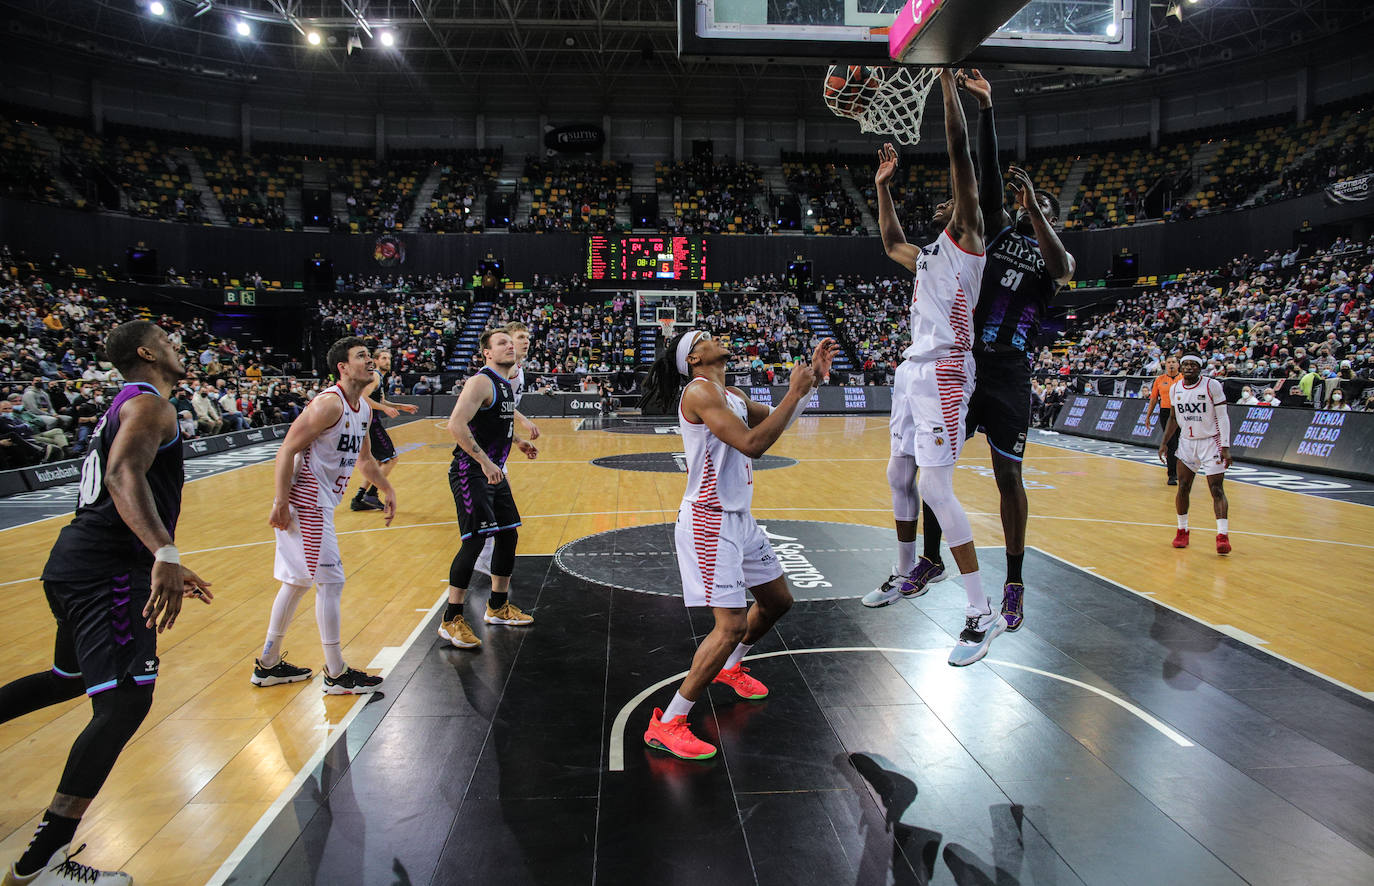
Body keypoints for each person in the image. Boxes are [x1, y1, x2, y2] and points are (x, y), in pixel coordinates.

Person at [0, 320, 212, 886]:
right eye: (169, 339)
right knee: (124, 704)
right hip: (107, 571)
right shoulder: (151, 407)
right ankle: (39, 861)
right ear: (146, 353)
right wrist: (162, 551)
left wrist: (162, 555)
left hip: (74, 564)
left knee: (68, 677)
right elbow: (122, 475)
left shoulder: (125, 404)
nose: (179, 344)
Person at [888, 68, 1073, 634]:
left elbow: (1064, 267)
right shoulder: (987, 238)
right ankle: (931, 558)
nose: (1023, 204)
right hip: (967, 366)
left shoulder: (1050, 261)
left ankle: (1013, 582)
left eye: (1037, 206)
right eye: (1023, 204)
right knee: (930, 468)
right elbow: (980, 172)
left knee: (1008, 478)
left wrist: (1038, 210)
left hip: (1011, 374)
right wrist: (987, 106)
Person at [637, 328, 836, 759]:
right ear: (693, 358)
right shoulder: (698, 393)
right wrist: (795, 390)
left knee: (778, 601)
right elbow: (754, 443)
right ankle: (669, 721)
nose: (716, 335)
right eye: (704, 336)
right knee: (730, 625)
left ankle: (729, 668)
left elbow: (775, 420)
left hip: (740, 519)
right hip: (709, 520)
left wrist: (810, 385)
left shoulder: (735, 394)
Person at [861, 71, 1003, 667]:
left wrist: (948, 88)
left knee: (934, 487)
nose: (949, 199)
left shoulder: (969, 237)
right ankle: (904, 573)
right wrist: (883, 187)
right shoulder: (927, 255)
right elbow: (891, 242)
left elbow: (958, 154)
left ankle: (981, 612)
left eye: (955, 195)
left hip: (945, 369)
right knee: (898, 477)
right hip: (911, 373)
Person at [250, 337, 396, 694]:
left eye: (369, 355)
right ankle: (336, 672)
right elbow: (286, 449)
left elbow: (364, 461)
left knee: (297, 582)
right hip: (307, 502)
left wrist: (387, 488)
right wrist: (281, 502)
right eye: (361, 356)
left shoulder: (361, 407)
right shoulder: (329, 404)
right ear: (343, 367)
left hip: (319, 503)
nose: (370, 361)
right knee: (331, 582)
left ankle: (268, 665)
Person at [437, 330, 538, 651]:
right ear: (487, 353)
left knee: (509, 534)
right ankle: (451, 618)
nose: (510, 345)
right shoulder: (480, 382)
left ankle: (497, 606)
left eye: (512, 341)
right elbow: (456, 424)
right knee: (475, 539)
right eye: (501, 343)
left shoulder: (505, 386)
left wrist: (518, 442)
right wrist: (484, 461)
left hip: (492, 471)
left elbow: (494, 427)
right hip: (471, 471)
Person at [474, 321, 540, 578]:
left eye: (527, 337)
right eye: (519, 337)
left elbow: (500, 414)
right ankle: (484, 558)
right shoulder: (500, 373)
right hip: (483, 448)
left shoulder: (516, 370)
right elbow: (499, 406)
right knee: (497, 504)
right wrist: (522, 420)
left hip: (496, 445)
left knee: (501, 504)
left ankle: (488, 557)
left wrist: (517, 440)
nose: (524, 341)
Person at [1159, 354, 1232, 555]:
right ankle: (1182, 530)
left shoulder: (1212, 386)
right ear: (1181, 368)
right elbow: (1173, 418)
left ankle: (1222, 535)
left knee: (1216, 488)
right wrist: (1164, 442)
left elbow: (1223, 416)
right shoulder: (1176, 388)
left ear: (1200, 368)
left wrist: (1225, 446)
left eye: (1194, 365)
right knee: (1183, 486)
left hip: (1211, 442)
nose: (1189, 367)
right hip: (1187, 443)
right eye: (1186, 365)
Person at [350, 348, 418, 512]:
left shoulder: (379, 377)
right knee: (391, 459)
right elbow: (362, 397)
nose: (387, 361)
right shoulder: (374, 376)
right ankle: (372, 494)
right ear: (375, 361)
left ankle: (359, 498)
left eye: (389, 358)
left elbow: (380, 400)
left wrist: (400, 406)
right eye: (384, 358)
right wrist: (384, 409)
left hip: (367, 423)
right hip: (370, 423)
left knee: (378, 462)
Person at [1144, 355, 1183, 484]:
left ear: (1178, 365)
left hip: (1182, 412)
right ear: (1165, 365)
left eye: (1173, 362)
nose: (1171, 364)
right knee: (1171, 443)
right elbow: (1154, 399)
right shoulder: (1160, 379)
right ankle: (1172, 475)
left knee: (1181, 443)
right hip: (1166, 412)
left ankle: (1182, 472)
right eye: (1168, 362)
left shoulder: (1183, 378)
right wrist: (1148, 415)